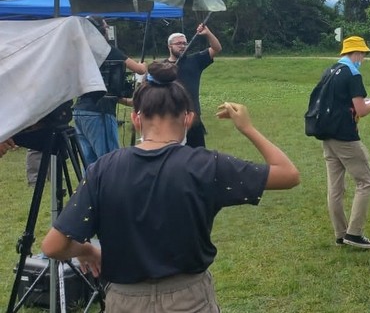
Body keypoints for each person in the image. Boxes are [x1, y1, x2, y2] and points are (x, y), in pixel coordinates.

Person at [41, 61, 300, 312]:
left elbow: (53, 246)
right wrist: (247, 128)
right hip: (189, 298)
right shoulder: (207, 165)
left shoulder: (103, 169)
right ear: (188, 119)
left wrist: (87, 250)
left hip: (125, 300)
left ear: (135, 119)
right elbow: (288, 174)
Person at [321, 36, 370, 248]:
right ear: (356, 53)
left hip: (326, 135)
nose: (363, 59)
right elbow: (361, 110)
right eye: (363, 55)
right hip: (345, 136)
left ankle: (340, 233)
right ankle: (354, 234)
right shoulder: (352, 74)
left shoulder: (330, 70)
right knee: (366, 181)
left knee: (335, 188)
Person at [73, 16, 147, 164]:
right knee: (108, 160)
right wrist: (144, 65)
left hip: (80, 110)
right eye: (106, 28)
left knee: (90, 162)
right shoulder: (106, 50)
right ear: (100, 30)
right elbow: (139, 69)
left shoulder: (80, 51)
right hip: (99, 111)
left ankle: (89, 187)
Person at [166, 24, 222, 148]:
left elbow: (216, 48)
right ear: (170, 46)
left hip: (193, 118)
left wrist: (207, 33)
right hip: (170, 118)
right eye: (178, 43)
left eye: (184, 43)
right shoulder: (162, 67)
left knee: (198, 157)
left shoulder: (195, 60)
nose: (182, 46)